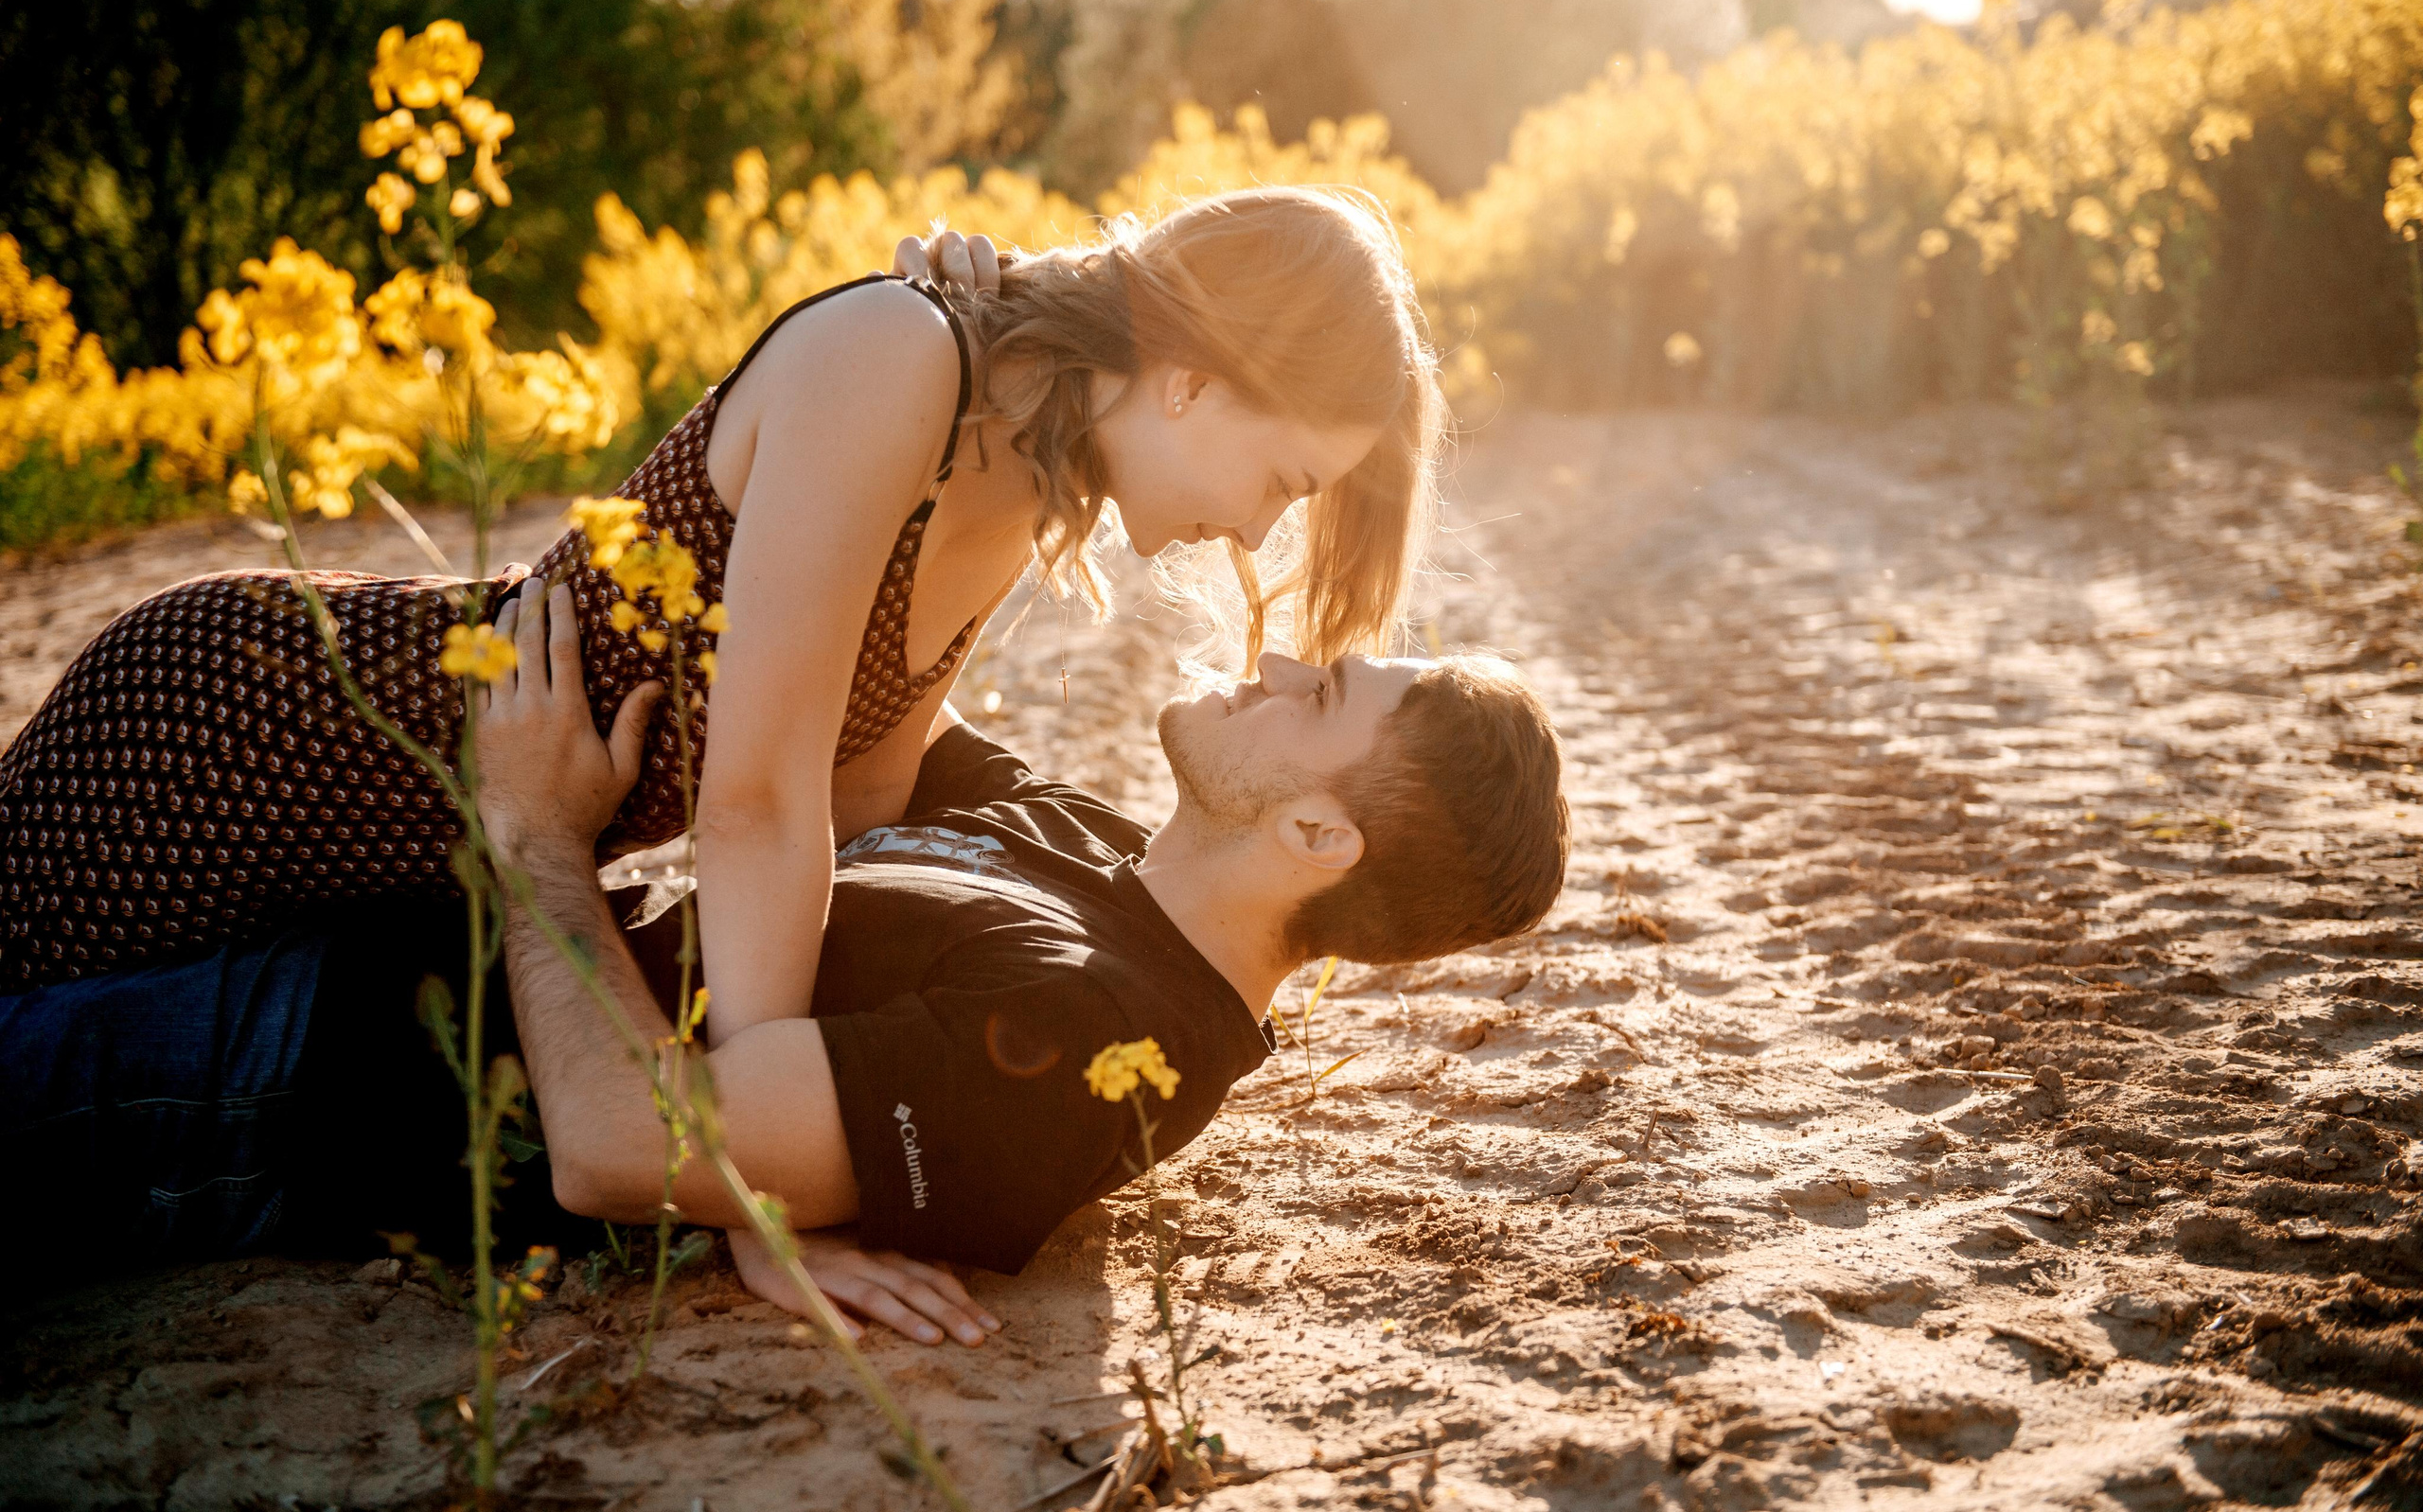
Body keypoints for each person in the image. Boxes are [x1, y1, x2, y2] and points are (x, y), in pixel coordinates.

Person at [0, 191, 1446, 1099]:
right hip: (244, 742)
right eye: (1283, 488)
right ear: (1194, 382)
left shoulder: (1026, 481)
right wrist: (750, 1169)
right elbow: (755, 802)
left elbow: (862, 797)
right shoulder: (906, 364)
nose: (1258, 542)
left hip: (411, 861)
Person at [0, 578, 1566, 1346]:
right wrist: (985, 371)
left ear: (1316, 836)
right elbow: (887, 690)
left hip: (285, 1085)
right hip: (341, 933)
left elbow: (625, 1148)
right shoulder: (1092, 850)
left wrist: (536, 837)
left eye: (1326, 688)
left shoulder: (1093, 1047)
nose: (1280, 656)